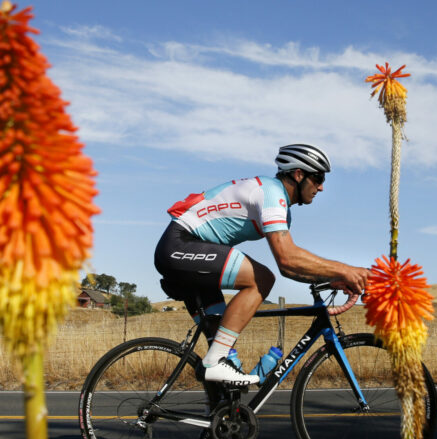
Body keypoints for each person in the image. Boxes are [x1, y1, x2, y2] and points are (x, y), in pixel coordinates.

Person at [154, 144, 369, 387]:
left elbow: (290, 268)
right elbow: (287, 258)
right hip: (181, 245)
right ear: (298, 175)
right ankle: (215, 364)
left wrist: (331, 279)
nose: (321, 187)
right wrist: (346, 270)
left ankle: (218, 414)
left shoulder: (282, 209)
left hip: (193, 255)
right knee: (261, 279)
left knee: (226, 367)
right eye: (318, 178)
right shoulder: (271, 193)